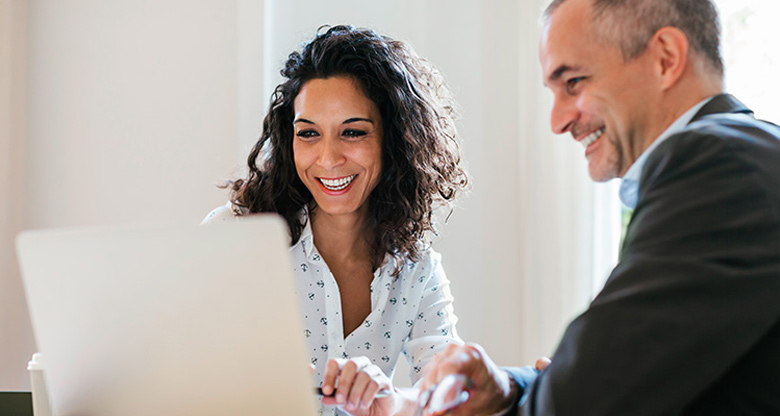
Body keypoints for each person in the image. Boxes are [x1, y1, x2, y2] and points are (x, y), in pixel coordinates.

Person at [419, 0, 780, 415]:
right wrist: (513, 387)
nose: (557, 121)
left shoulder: (718, 165)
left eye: (573, 82)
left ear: (665, 58)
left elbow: (583, 402)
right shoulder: (748, 152)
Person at [203, 25, 468, 416]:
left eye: (353, 132)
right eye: (308, 133)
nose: (327, 159)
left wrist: (392, 402)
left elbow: (452, 398)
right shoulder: (236, 236)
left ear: (393, 140)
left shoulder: (417, 270)